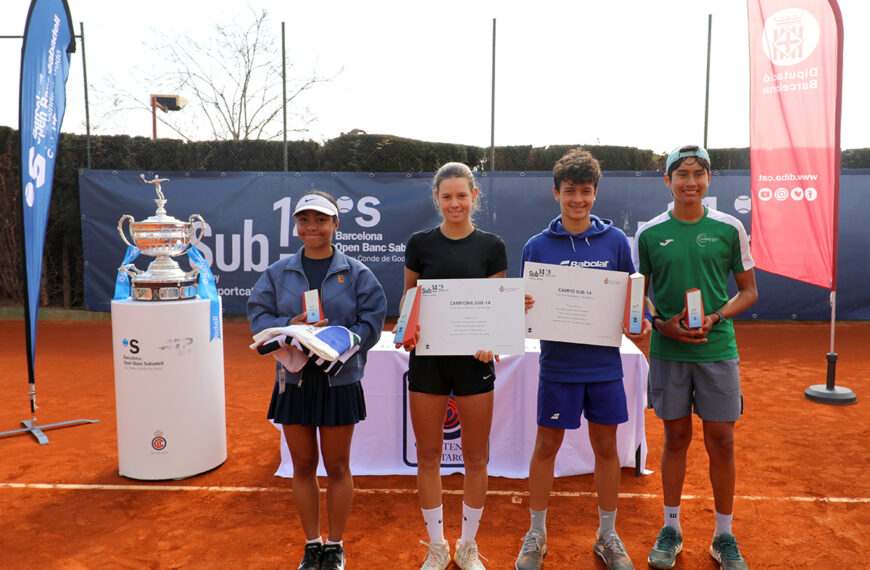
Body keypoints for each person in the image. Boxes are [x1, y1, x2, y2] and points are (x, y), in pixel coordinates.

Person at [515, 149, 647, 570]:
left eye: (585, 191)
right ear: (556, 193)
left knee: (606, 447)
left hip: (605, 365)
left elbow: (632, 301)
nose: (577, 199)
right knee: (546, 446)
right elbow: (523, 306)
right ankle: (536, 532)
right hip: (558, 366)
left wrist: (638, 318)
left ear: (595, 194)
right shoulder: (536, 246)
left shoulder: (614, 243)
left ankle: (608, 534)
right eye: (569, 191)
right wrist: (523, 304)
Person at [248, 190, 387, 570]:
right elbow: (259, 318)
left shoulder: (357, 273)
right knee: (303, 466)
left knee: (338, 466)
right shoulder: (278, 273)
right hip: (294, 380)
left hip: (339, 381)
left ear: (335, 225)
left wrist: (340, 340)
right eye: (305, 220)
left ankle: (336, 546)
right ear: (296, 226)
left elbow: (372, 322)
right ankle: (313, 545)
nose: (312, 227)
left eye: (321, 220)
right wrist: (285, 327)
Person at [634, 145, 757, 570]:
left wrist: (717, 315)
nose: (691, 181)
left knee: (722, 440)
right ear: (667, 181)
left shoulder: (729, 228)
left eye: (698, 173)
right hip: (668, 350)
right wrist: (659, 322)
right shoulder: (649, 233)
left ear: (708, 180)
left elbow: (748, 291)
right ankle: (671, 528)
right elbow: (641, 296)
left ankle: (724, 536)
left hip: (718, 348)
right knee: (676, 439)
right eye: (682, 173)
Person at [398, 162, 507, 570]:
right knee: (428, 456)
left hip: (474, 364)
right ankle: (437, 545)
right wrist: (409, 328)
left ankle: (468, 545)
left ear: (474, 197)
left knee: (476, 457)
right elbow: (409, 299)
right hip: (427, 361)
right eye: (447, 196)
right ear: (437, 199)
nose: (455, 203)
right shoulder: (419, 243)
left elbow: (495, 309)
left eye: (462, 195)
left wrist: (491, 339)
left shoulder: (492, 246)